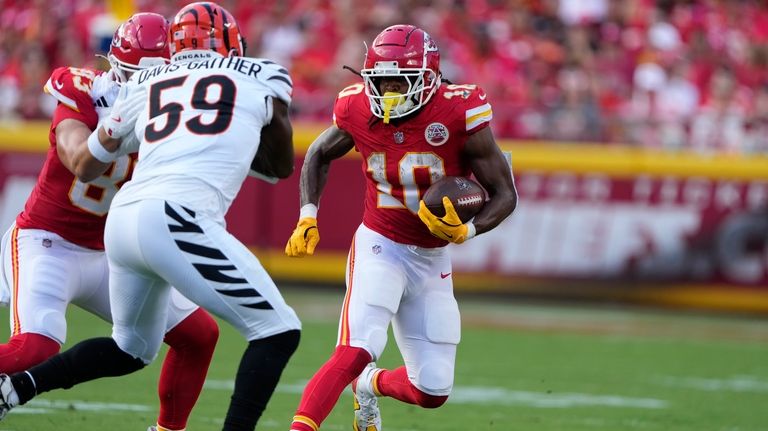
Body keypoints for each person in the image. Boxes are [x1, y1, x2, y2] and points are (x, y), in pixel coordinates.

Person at [0, 3, 302, 431]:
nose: (146, 83)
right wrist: (111, 129)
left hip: (113, 243)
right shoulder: (87, 91)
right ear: (113, 67)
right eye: (134, 73)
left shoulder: (178, 103)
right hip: (49, 240)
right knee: (35, 347)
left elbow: (267, 162)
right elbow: (78, 159)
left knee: (195, 336)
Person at [283, 24, 517, 431]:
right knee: (356, 349)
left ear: (428, 79)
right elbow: (319, 153)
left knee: (432, 390)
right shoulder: (356, 106)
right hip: (381, 245)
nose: (389, 92)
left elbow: (504, 192)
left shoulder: (459, 110)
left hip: (432, 258)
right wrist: (307, 214)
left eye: (400, 81)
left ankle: (368, 385)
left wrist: (469, 231)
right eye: (381, 80)